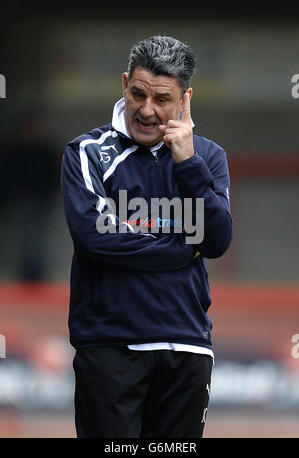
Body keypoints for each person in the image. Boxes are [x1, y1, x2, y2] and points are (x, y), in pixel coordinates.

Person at [61, 35, 233, 438]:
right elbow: (94, 237)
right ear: (124, 84)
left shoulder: (207, 157)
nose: (146, 109)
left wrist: (187, 162)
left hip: (187, 347)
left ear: (184, 100)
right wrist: (181, 243)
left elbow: (218, 240)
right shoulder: (87, 153)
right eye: (138, 94)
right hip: (109, 347)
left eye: (162, 99)